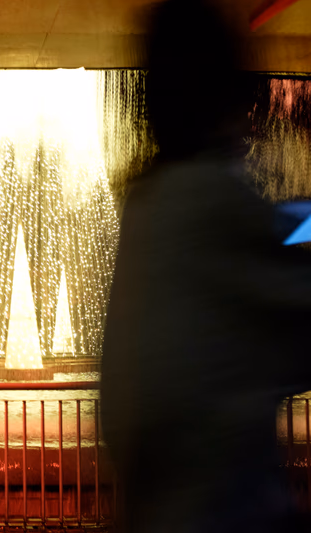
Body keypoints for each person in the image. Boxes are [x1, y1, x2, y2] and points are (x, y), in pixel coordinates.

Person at [100, 1, 311, 532]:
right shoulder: (209, 201)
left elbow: (277, 227)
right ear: (223, 103)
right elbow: (285, 251)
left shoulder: (149, 205)